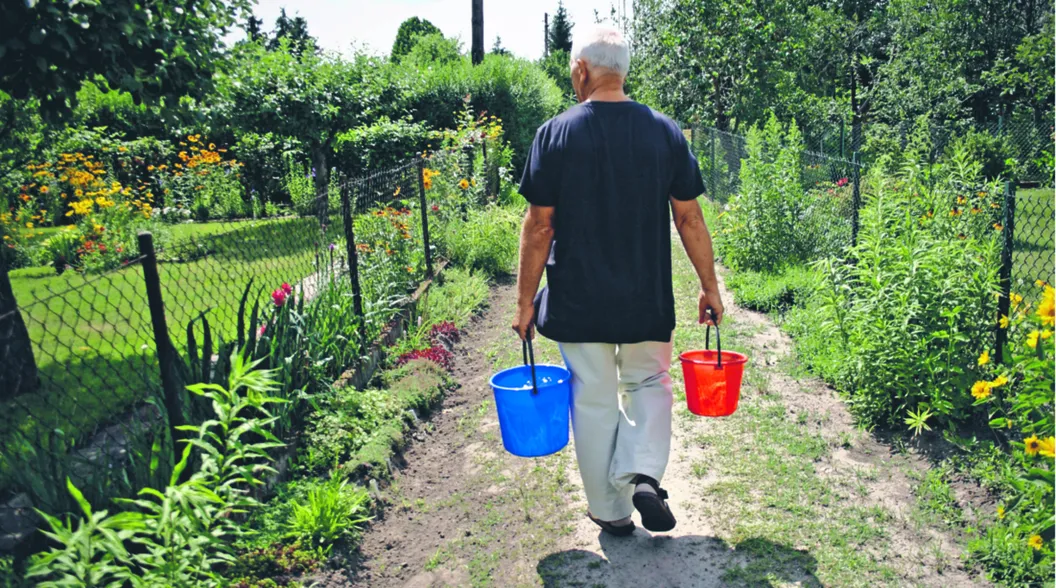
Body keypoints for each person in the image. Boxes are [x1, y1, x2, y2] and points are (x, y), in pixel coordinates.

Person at [511, 26, 724, 536]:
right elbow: (689, 217)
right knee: (649, 383)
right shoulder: (664, 132)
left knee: (594, 398)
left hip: (577, 300)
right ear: (623, 71)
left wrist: (524, 303)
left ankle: (610, 511)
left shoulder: (554, 134)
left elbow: (540, 226)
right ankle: (644, 473)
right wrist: (709, 286)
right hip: (645, 298)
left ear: (582, 69)